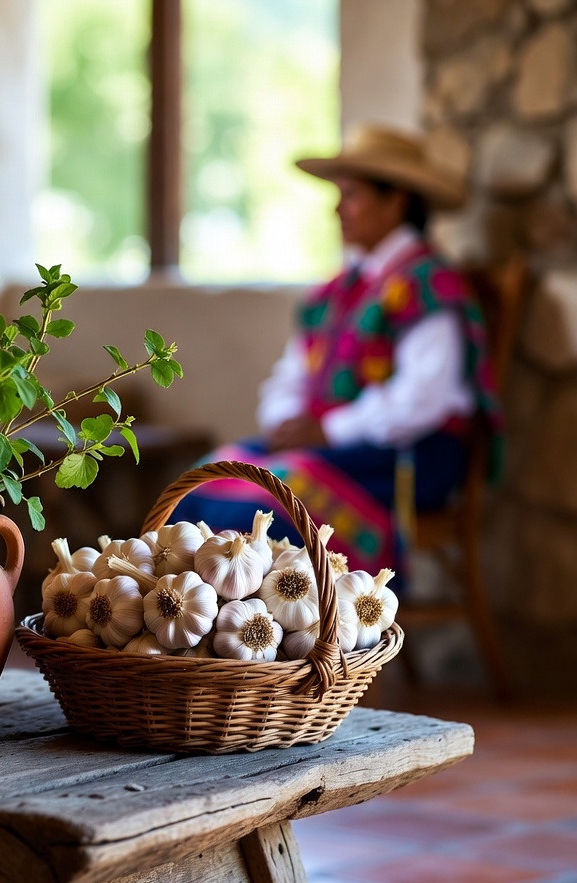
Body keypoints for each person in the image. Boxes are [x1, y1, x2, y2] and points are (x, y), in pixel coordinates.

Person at [170, 123, 502, 576]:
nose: (337, 209)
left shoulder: (429, 285)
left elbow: (423, 398)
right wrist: (287, 420)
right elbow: (293, 373)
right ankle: (210, 629)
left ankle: (278, 632)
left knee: (275, 493)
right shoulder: (337, 293)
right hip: (334, 446)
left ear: (396, 200)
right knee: (209, 476)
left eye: (352, 195)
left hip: (410, 454)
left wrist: (328, 430)